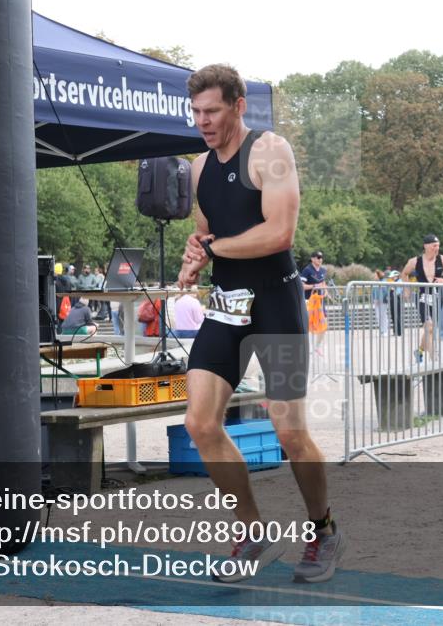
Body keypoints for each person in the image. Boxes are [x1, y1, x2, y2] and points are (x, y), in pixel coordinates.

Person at [175, 64, 342, 584]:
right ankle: (251, 530)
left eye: (213, 111)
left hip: (275, 301)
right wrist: (196, 252)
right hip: (227, 302)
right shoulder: (200, 168)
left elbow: (279, 232)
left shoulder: (270, 151)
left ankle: (323, 529)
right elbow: (206, 230)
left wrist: (218, 247)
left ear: (238, 106)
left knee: (289, 431)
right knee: (200, 424)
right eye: (196, 112)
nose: (202, 121)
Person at [401, 234, 443, 363]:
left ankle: (419, 351)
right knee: (429, 327)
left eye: (438, 246)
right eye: (434, 246)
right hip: (423, 297)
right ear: (426, 246)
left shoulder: (442, 260)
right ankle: (434, 360)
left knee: (429, 329)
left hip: (438, 297)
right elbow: (404, 273)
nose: (437, 248)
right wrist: (406, 288)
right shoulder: (415, 261)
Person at [371, 269, 390, 336]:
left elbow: (386, 292)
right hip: (376, 302)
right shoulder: (375, 283)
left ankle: (385, 331)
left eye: (375, 275)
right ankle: (382, 330)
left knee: (383, 316)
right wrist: (374, 299)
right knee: (378, 316)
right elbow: (373, 292)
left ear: (378, 275)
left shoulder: (384, 281)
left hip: (383, 301)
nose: (373, 277)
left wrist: (380, 299)